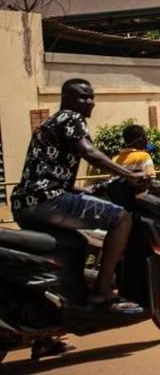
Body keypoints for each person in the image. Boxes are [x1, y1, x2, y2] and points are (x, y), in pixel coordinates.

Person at [11, 79, 148, 314]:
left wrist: (85, 191)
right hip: (48, 201)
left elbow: (45, 172)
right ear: (66, 99)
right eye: (83, 97)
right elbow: (89, 152)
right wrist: (128, 175)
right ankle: (103, 291)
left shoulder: (49, 124)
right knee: (121, 218)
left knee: (76, 243)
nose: (90, 102)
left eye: (92, 97)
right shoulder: (71, 118)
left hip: (25, 203)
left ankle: (54, 317)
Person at [113, 124, 160, 198]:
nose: (147, 141)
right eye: (146, 138)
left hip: (121, 201)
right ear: (140, 140)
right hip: (141, 202)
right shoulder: (143, 156)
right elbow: (152, 186)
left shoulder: (115, 159)